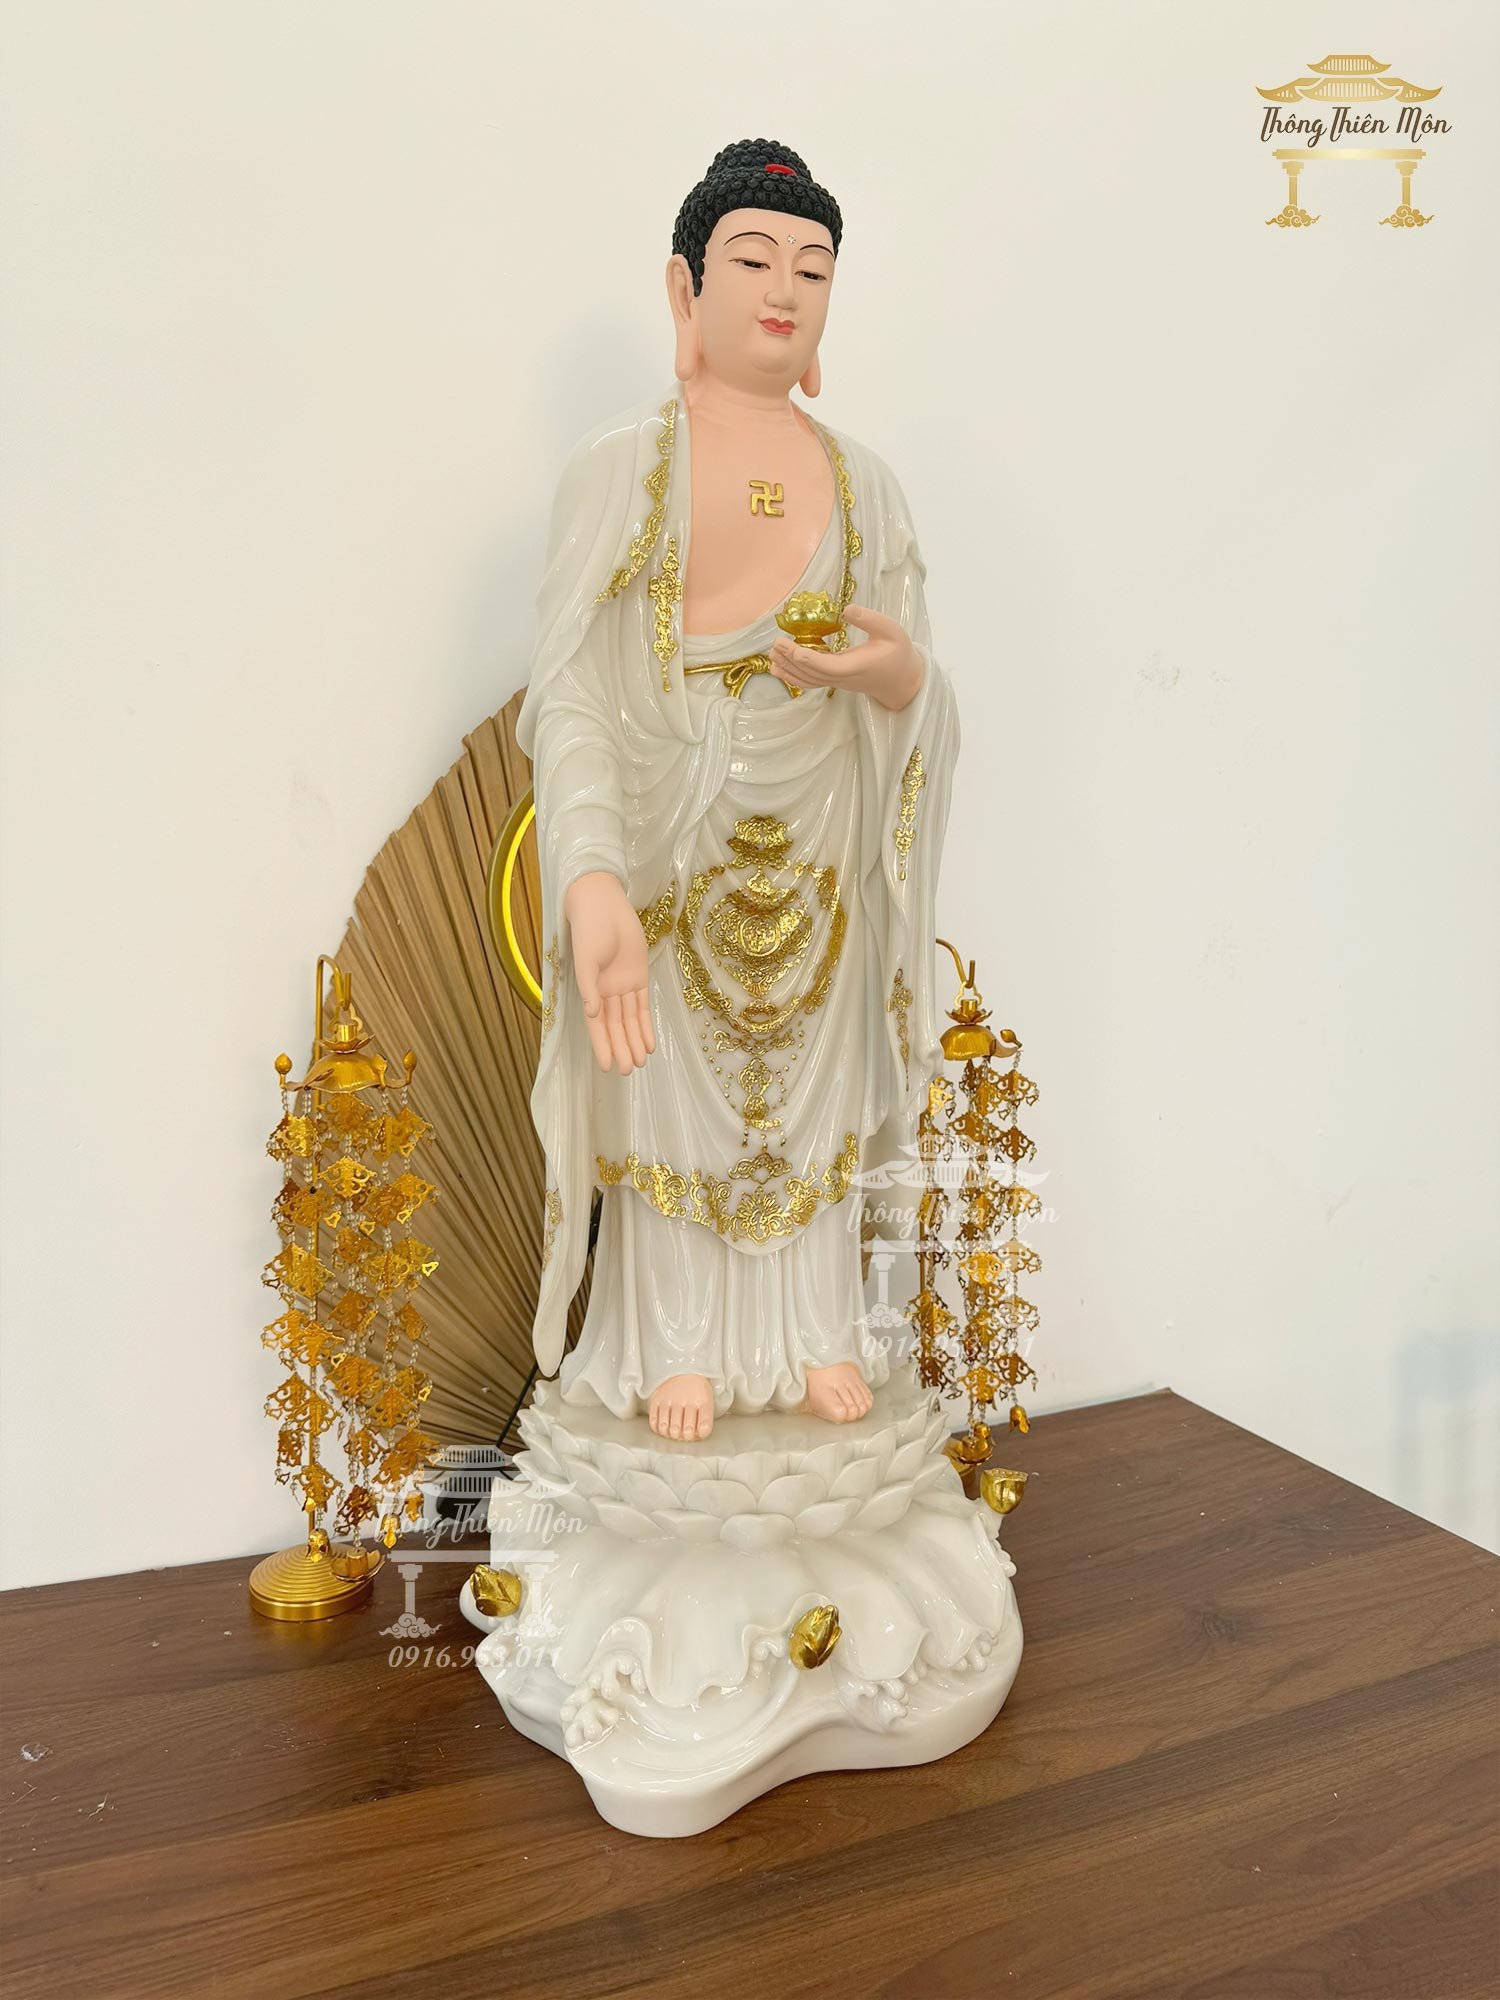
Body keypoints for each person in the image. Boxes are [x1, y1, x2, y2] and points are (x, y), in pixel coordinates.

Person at [516, 138, 959, 1443]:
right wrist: (591, 872)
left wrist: (897, 681)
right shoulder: (622, 467)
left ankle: (816, 1330)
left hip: (822, 827)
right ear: (684, 289)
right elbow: (572, 691)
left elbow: (916, 682)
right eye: (754, 259)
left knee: (815, 1071)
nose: (785, 290)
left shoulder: (868, 485)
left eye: (813, 270)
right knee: (668, 1071)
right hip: (674, 819)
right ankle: (675, 1339)